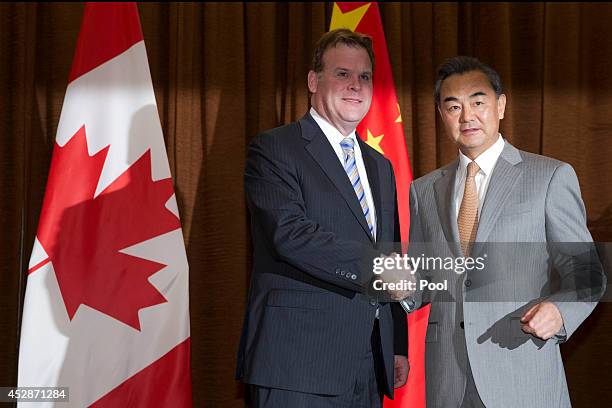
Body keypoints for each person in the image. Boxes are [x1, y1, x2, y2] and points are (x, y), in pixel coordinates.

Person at [400, 56, 606, 407]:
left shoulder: (549, 177)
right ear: (441, 114)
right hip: (447, 380)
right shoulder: (422, 190)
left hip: (522, 370)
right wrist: (397, 284)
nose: (467, 116)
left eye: (478, 102)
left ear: (501, 105)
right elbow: (425, 280)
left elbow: (586, 272)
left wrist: (560, 311)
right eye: (453, 106)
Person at [235, 29, 409, 407]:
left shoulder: (379, 165)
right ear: (314, 81)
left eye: (364, 77)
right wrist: (375, 265)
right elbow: (289, 234)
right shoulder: (276, 148)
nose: (355, 86)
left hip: (368, 364)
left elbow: (390, 251)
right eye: (342, 74)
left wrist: (396, 344)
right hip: (297, 362)